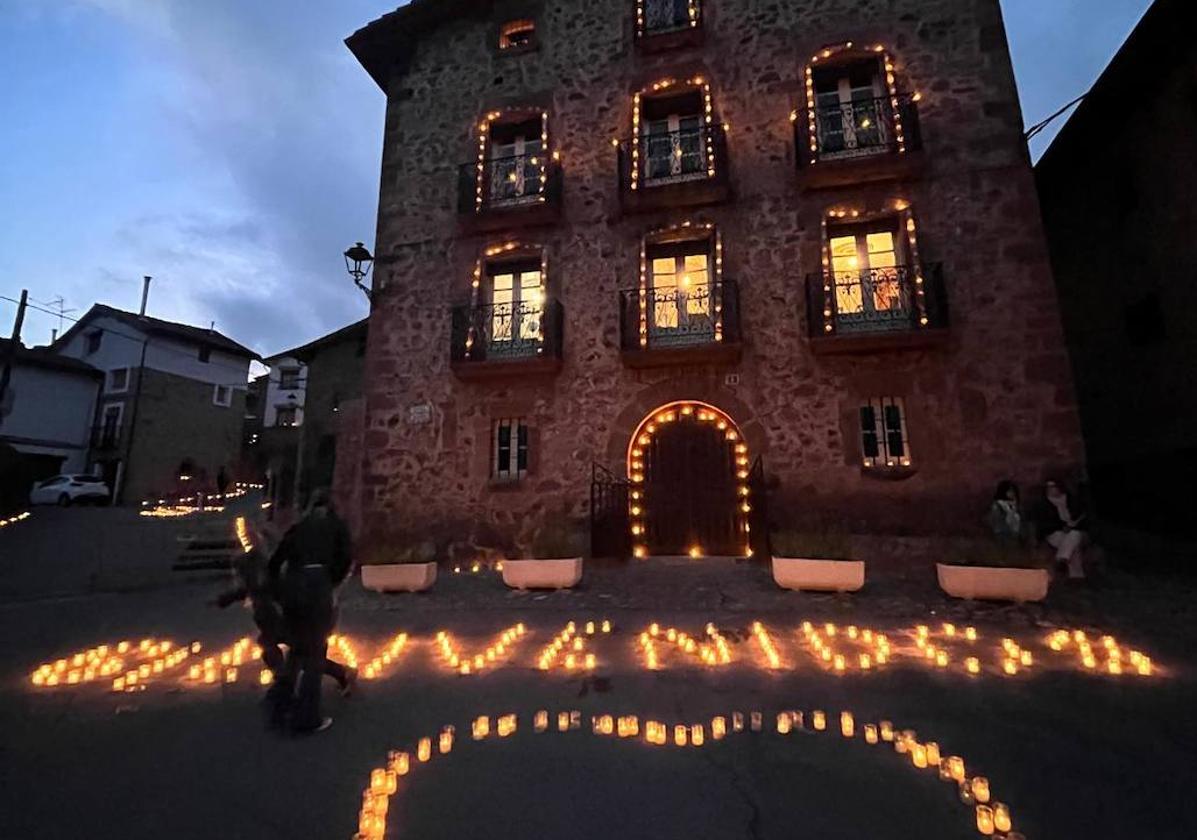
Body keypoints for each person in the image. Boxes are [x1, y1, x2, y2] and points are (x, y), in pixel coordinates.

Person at [211, 517, 355, 717]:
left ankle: (334, 677)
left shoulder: (274, 566)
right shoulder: (253, 566)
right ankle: (285, 687)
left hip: (291, 617)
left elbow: (275, 587)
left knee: (302, 656)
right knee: (285, 652)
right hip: (275, 619)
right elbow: (250, 589)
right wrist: (225, 599)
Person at [268, 489, 353, 734]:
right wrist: (329, 582)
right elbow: (345, 558)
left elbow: (275, 563)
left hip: (293, 587)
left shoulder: (299, 528)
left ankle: (280, 704)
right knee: (315, 650)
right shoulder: (336, 526)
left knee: (296, 649)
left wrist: (278, 593)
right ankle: (307, 716)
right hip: (317, 586)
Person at [1036, 478, 1087, 579]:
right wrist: (1061, 527)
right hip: (1054, 533)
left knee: (1074, 536)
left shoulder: (1071, 500)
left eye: (1053, 487)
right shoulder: (1043, 505)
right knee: (1072, 546)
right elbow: (1044, 524)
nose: (1050, 489)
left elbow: (1082, 515)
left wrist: (1073, 524)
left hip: (1073, 530)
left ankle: (1060, 559)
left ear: (1059, 488)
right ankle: (1077, 576)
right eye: (1048, 487)